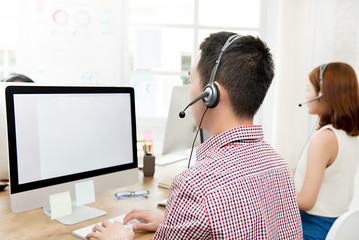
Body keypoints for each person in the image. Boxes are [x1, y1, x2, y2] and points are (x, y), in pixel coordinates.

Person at [87, 32, 303, 240]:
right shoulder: (280, 166)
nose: (189, 91)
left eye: (191, 81)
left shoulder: (195, 185)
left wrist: (119, 237)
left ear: (211, 95)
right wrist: (173, 224)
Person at [295, 62, 359, 240]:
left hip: (313, 230)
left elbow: (307, 201)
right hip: (335, 228)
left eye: (308, 89)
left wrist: (277, 188)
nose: (305, 95)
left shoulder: (324, 139)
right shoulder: (349, 136)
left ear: (322, 95)